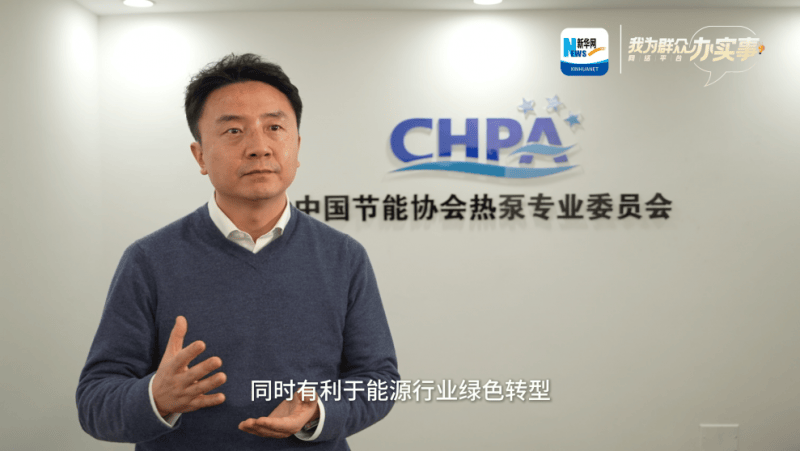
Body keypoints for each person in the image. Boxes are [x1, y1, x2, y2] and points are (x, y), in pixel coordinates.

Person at [76, 53, 399, 450]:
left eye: (274, 127)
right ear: (199, 155)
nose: (259, 147)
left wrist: (318, 411)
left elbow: (379, 381)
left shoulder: (344, 257)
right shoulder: (149, 260)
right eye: (233, 131)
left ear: (297, 146)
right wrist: (155, 397)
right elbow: (94, 401)